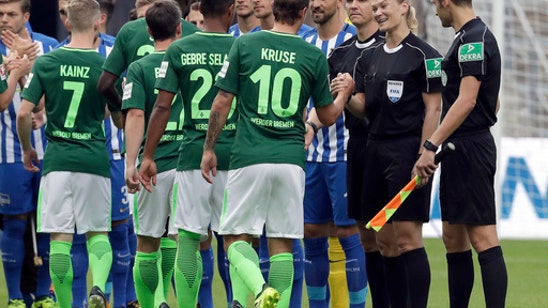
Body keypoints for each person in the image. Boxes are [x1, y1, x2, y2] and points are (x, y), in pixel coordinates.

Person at [199, 0, 354, 306]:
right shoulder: (312, 54)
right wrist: (345, 94)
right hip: (291, 160)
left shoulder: (245, 44)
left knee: (233, 239)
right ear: (302, 13)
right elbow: (327, 116)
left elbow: (221, 101)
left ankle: (259, 289)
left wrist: (209, 148)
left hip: (250, 156)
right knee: (283, 244)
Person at [16, 0, 122, 307]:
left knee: (60, 239)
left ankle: (64, 304)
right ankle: (99, 288)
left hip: (59, 162)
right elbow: (115, 118)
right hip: (94, 161)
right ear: (98, 23)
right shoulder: (105, 67)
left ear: (67, 23)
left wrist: (27, 148)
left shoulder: (48, 63)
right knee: (98, 234)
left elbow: (26, 113)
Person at [343, 0, 442, 307]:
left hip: (406, 154)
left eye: (384, 5)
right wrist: (345, 94)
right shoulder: (368, 57)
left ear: (403, 6)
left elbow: (434, 107)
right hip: (373, 152)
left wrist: (426, 151)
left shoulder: (426, 56)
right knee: (382, 243)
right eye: (376, 8)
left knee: (407, 240)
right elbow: (362, 108)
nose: (379, 12)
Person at [137, 1, 236, 307]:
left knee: (189, 240)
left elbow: (162, 106)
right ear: (230, 10)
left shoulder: (179, 50)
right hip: (235, 155)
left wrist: (148, 155)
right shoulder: (241, 46)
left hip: (193, 154)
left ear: (200, 13)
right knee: (237, 240)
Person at [414, 1, 507, 307]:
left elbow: (467, 101)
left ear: (445, 2)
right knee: (453, 239)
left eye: (434, 4)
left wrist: (431, 145)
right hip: (459, 147)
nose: (434, 11)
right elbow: (491, 103)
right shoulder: (467, 38)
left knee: (482, 238)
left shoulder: (473, 39)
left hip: (469, 147)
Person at [56, 1, 135, 307]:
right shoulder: (58, 53)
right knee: (78, 235)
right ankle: (81, 302)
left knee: (119, 231)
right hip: (83, 156)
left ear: (99, 17)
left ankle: (122, 301)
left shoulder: (118, 50)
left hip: (114, 155)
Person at [315, 0, 388, 305]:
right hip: (352, 151)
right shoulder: (340, 54)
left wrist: (350, 93)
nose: (354, 5)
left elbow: (374, 107)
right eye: (350, 1)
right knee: (364, 238)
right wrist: (309, 126)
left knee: (393, 241)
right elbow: (330, 108)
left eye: (362, 0)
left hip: (386, 152)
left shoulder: (390, 48)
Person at [300, 1, 368, 307]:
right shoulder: (303, 42)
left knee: (347, 230)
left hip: (344, 152)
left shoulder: (355, 41)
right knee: (311, 230)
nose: (316, 4)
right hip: (309, 155)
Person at [121, 1, 183, 307]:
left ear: (148, 31)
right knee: (181, 239)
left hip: (152, 164)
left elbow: (134, 116)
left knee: (146, 242)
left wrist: (131, 161)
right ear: (179, 28)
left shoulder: (139, 68)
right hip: (187, 164)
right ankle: (169, 298)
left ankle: (153, 302)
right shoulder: (188, 62)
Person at [0, 0, 58, 307]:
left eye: (11, 14)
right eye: (0, 14)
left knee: (49, 221)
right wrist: (14, 71)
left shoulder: (49, 47)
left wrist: (43, 109)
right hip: (8, 152)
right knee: (14, 222)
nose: (5, 20)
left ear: (27, 16)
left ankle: (44, 294)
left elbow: (59, 93)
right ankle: (14, 298)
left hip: (50, 150)